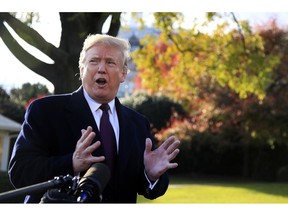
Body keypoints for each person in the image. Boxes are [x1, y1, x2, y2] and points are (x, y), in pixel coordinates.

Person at [8, 33, 181, 203]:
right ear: (82, 69)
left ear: (123, 74)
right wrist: (71, 163)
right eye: (94, 61)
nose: (101, 68)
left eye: (110, 62)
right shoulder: (45, 111)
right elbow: (20, 172)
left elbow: (146, 188)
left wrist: (150, 175)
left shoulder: (137, 123)